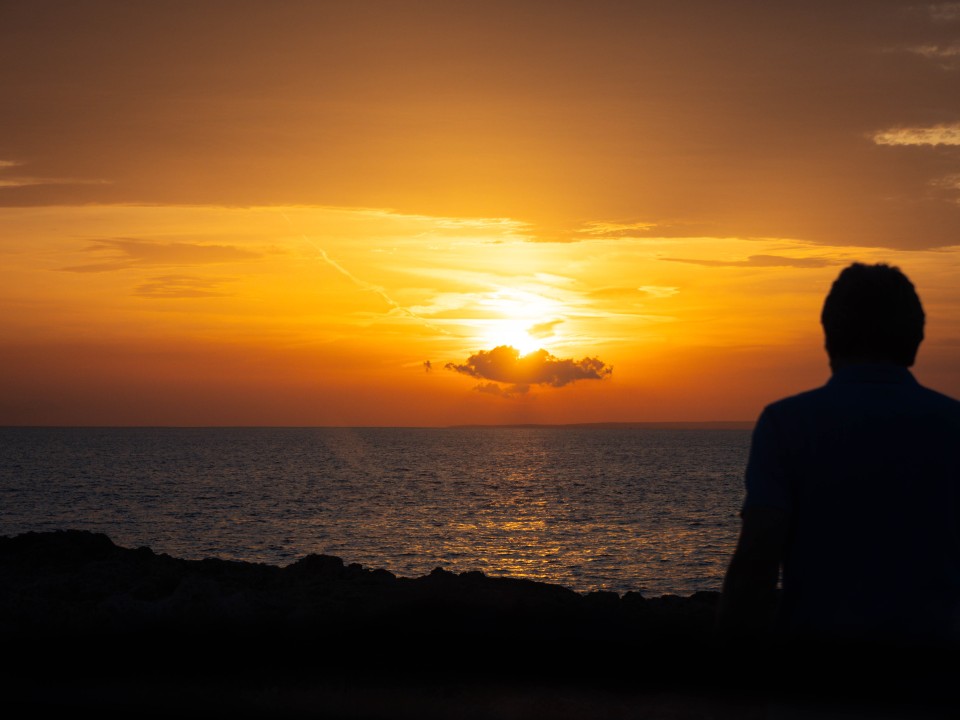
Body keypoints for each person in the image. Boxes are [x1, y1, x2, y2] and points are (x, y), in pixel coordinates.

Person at [717, 263, 960, 649]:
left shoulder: (785, 424)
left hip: (814, 683)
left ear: (829, 338)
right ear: (916, 339)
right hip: (937, 683)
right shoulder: (952, 424)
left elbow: (756, 564)